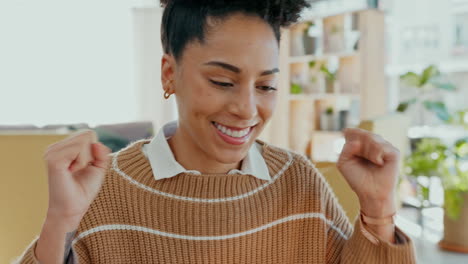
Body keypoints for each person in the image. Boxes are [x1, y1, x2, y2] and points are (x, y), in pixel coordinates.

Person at [16, 0, 415, 263]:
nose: (246, 109)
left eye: (266, 86)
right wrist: (60, 220)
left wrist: (379, 211)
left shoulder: (299, 182)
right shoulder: (103, 190)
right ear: (169, 74)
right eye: (223, 82)